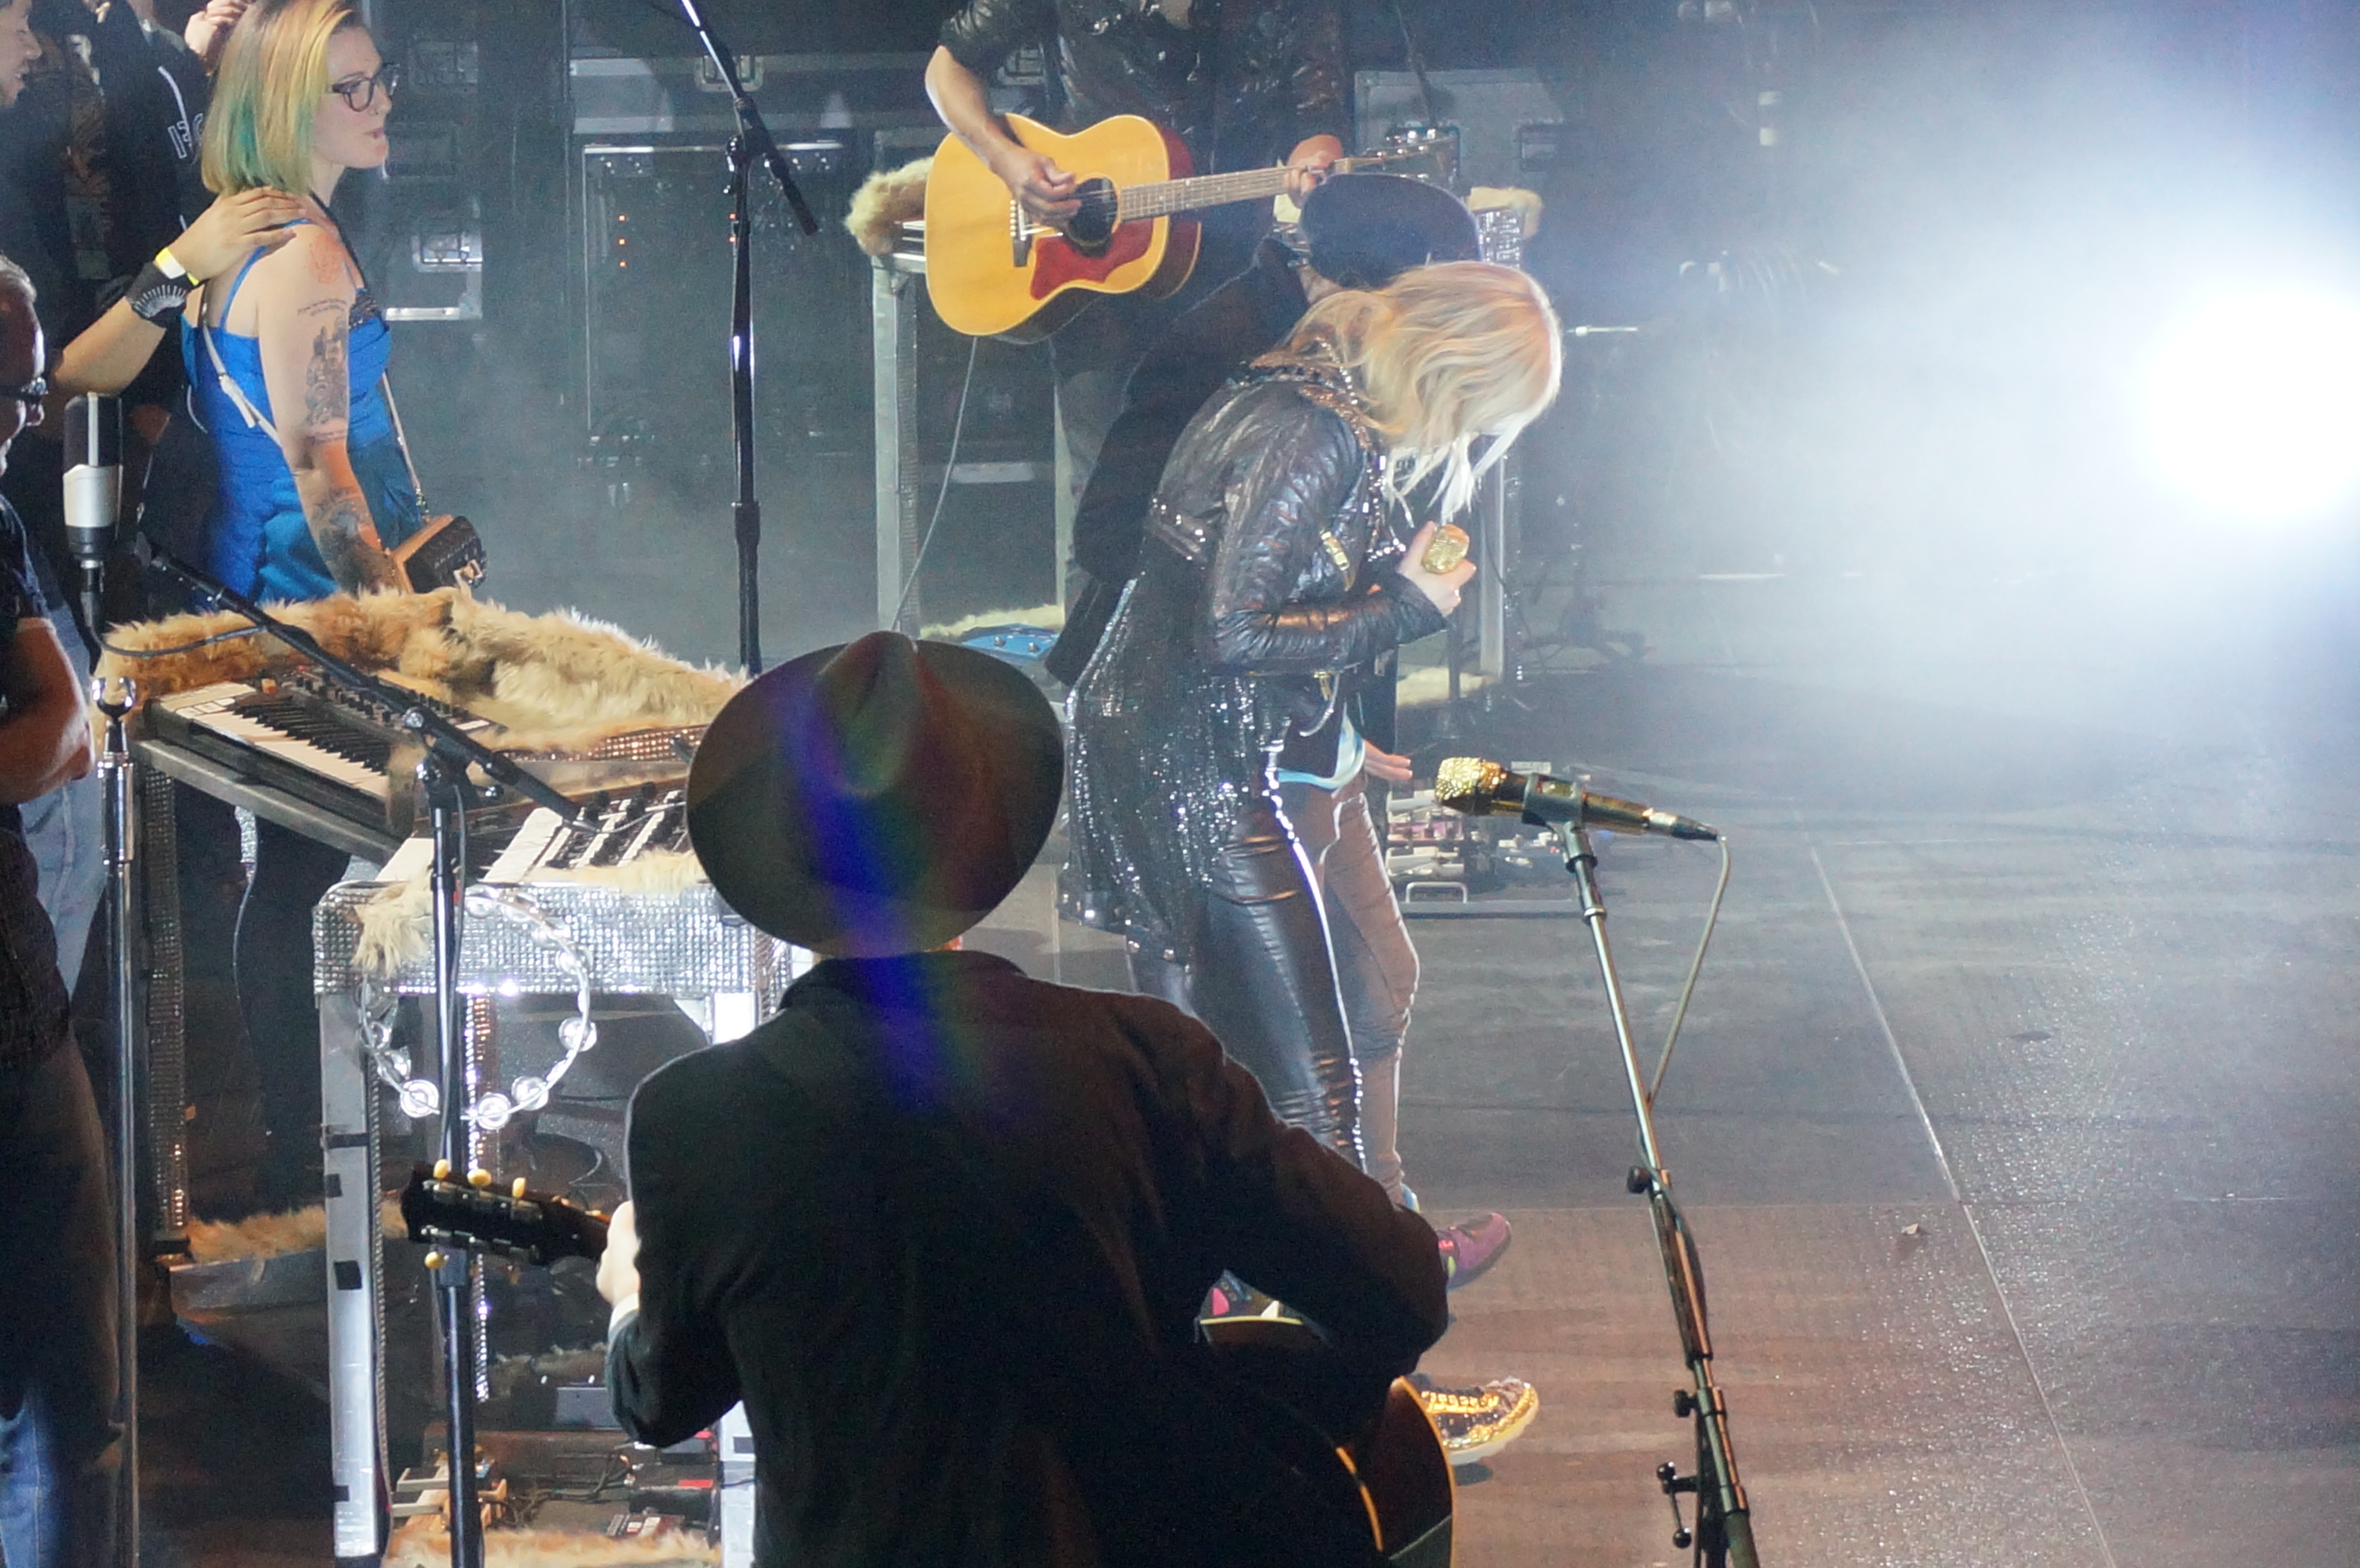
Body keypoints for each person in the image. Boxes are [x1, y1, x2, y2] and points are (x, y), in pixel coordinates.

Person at [597, 630, 1449, 1566]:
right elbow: (1401, 1289)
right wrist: (1273, 1414)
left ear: (781, 858)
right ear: (978, 844)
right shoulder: (1146, 1058)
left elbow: (660, 1401)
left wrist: (629, 1290)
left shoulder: (696, 1115)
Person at [1065, 257, 1559, 1282]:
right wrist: (1405, 608)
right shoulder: (1313, 432)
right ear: (1452, 372)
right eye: (1480, 411)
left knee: (1207, 1064)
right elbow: (1233, 632)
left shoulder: (1301, 391)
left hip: (1168, 736)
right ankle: (1381, 1304)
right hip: (1188, 759)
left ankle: (1235, 1298)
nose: (1468, 435)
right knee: (1308, 1072)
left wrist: (1382, 577)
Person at [179, 0, 420, 1207]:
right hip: (309, 609)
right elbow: (322, 477)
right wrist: (401, 622)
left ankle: (307, 1147)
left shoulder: (273, 237)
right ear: (287, 106)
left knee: (292, 873)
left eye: (382, 80)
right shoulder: (306, 256)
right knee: (322, 876)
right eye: (353, 89)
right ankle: (327, 1146)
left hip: (271, 595)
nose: (380, 105)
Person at [925, 0, 1347, 502]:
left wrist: (1315, 162)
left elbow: (1315, 118)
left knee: (1229, 497)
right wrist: (1004, 158)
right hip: (1095, 272)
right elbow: (949, 67)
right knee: (1110, 501)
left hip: (1232, 278)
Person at [0, 251, 116, 1568]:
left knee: (60, 1397)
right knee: (46, 1404)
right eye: (17, 396)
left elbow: (66, 728)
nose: (32, 421)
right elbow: (56, 731)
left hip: (20, 1008)